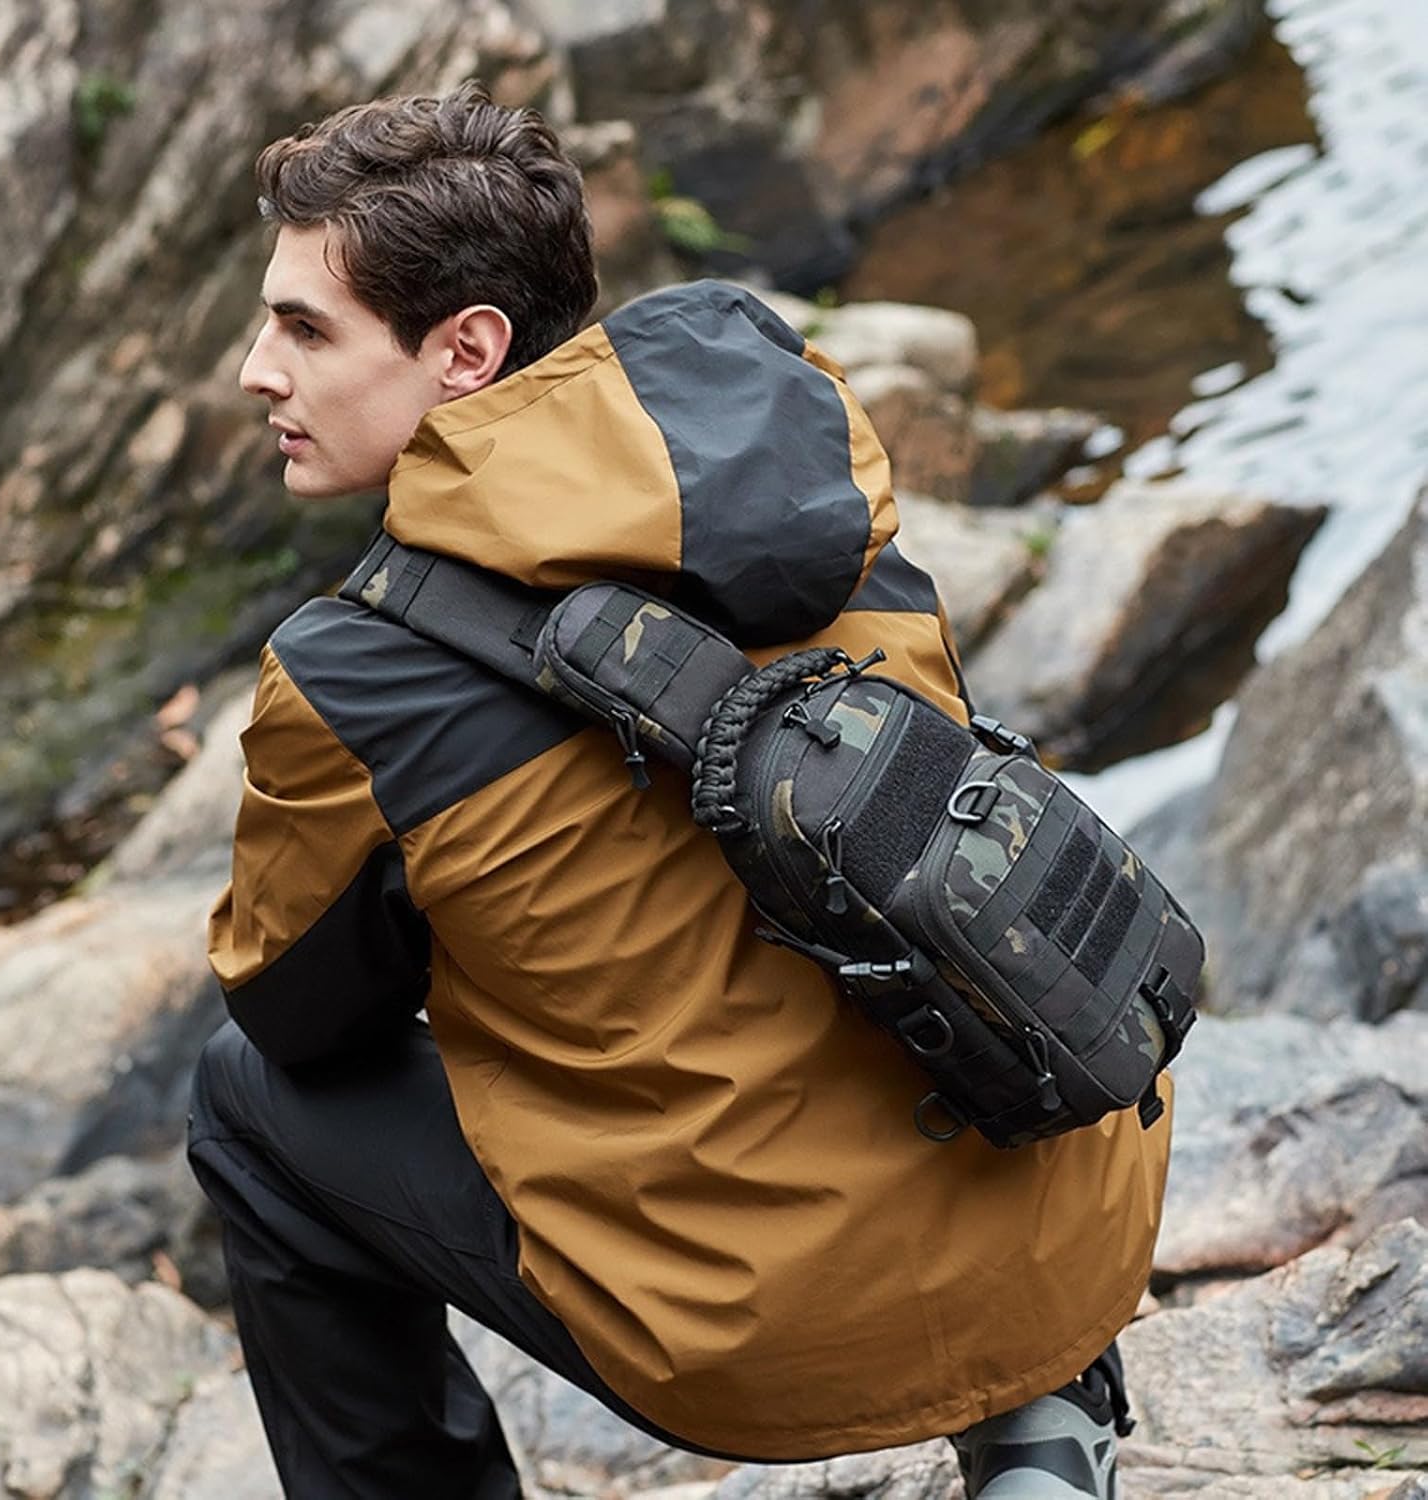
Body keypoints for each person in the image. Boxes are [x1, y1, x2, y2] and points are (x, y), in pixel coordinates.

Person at [187, 81, 1169, 1500]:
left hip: (768, 1336)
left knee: (246, 1103)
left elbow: (295, 1013)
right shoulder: (801, 462)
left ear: (466, 350)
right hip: (1083, 1203)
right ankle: (1040, 1414)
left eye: (304, 329)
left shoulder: (357, 676)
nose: (255, 371)